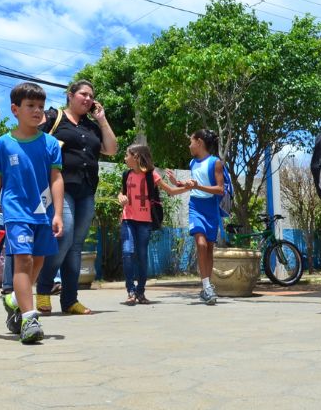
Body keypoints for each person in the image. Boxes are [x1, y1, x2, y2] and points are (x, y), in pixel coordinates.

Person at [0, 82, 64, 344]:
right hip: (16, 212)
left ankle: (15, 298)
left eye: (41, 106)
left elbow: (57, 180)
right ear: (15, 109)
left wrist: (58, 214)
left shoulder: (51, 143)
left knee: (38, 261)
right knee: (24, 261)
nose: (37, 111)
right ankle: (29, 317)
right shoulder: (3, 144)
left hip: (43, 213)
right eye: (31, 106)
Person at [35, 79, 117, 315]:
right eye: (83, 94)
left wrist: (101, 120)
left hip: (87, 190)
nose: (88, 99)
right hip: (61, 188)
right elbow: (31, 137)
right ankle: (43, 289)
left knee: (76, 246)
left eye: (91, 96)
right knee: (64, 237)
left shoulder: (92, 127)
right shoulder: (54, 118)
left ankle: (70, 300)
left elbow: (111, 149)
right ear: (70, 95)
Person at [118, 144, 189, 305]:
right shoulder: (126, 174)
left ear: (136, 157)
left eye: (127, 155)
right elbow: (122, 192)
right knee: (127, 253)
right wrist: (120, 197)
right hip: (127, 219)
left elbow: (170, 191)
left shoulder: (152, 176)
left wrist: (187, 187)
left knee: (142, 256)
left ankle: (140, 292)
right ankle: (130, 290)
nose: (124, 158)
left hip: (145, 222)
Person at [167, 129, 225, 305]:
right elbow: (192, 185)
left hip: (211, 209)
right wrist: (177, 183)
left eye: (191, 141)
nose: (189, 145)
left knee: (208, 247)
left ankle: (207, 287)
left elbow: (219, 189)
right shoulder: (192, 162)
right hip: (196, 207)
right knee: (200, 244)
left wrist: (198, 186)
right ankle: (206, 285)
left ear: (199, 142)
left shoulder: (215, 163)